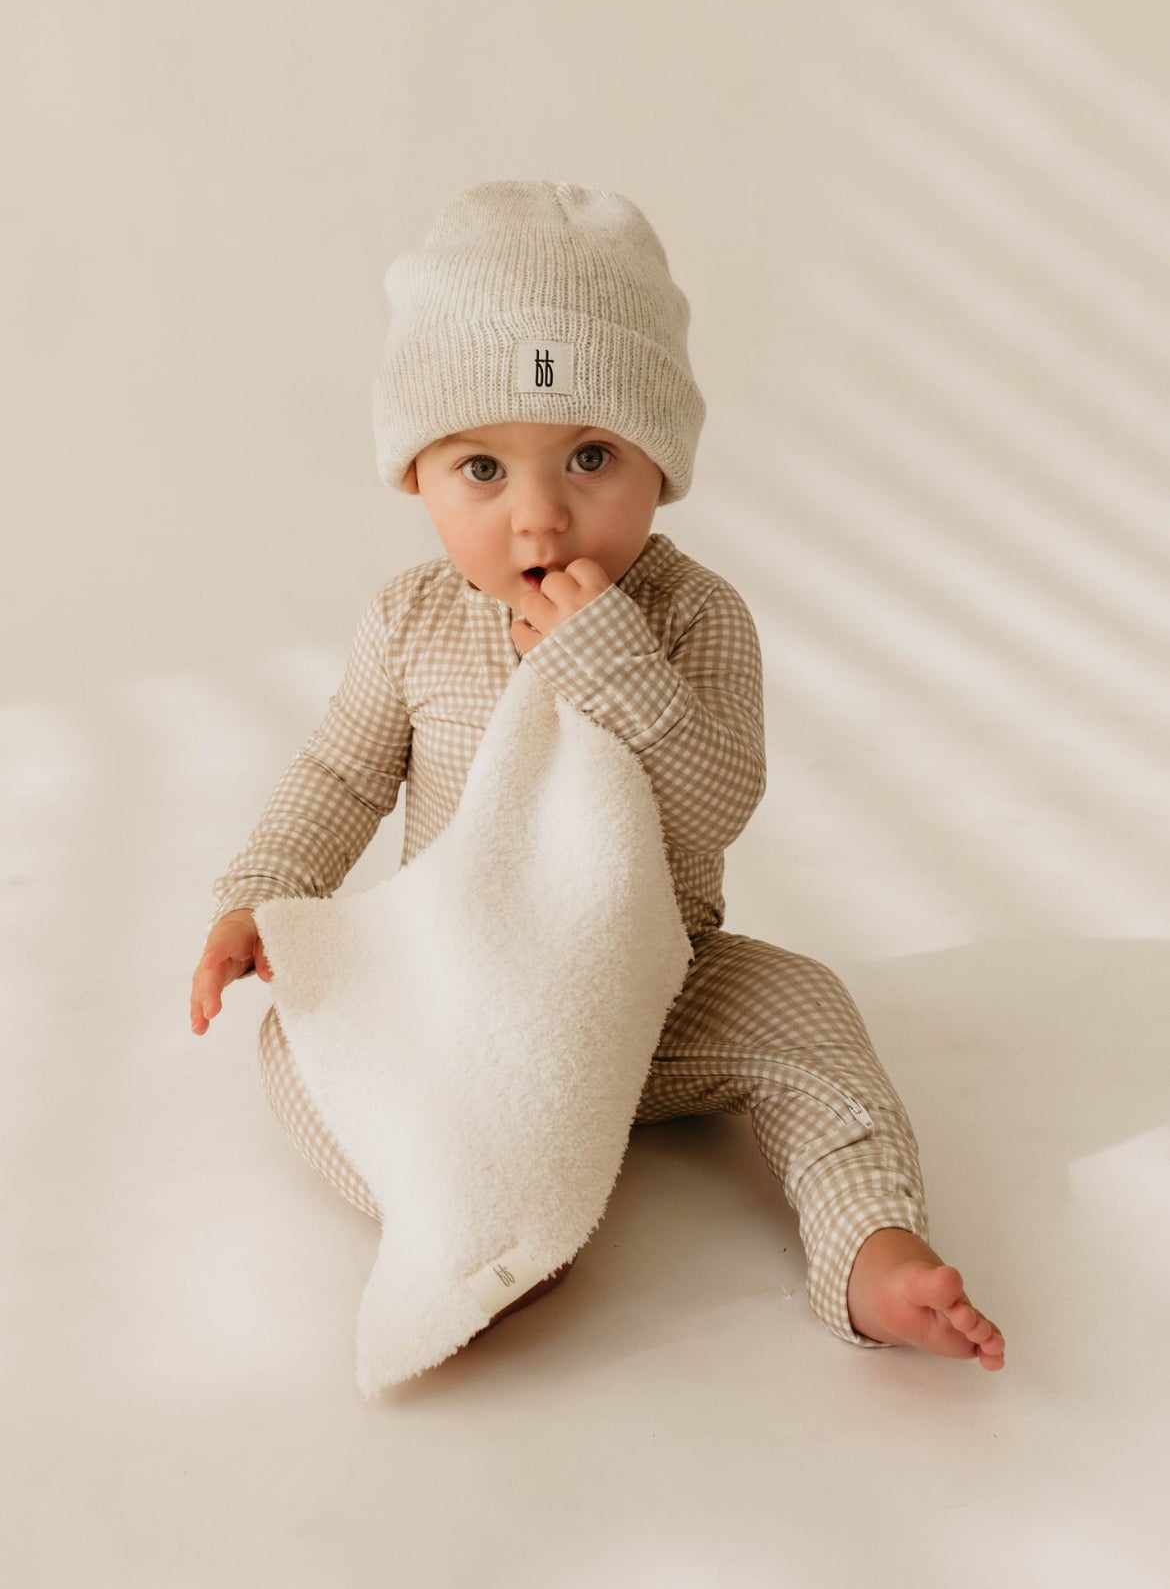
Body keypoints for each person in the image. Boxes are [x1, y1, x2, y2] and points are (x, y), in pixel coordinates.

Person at [189, 180, 1005, 1368]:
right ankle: (469, 1213)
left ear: (660, 464)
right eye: (480, 467)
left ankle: (870, 1244)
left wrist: (610, 659)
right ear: (413, 472)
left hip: (651, 988)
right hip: (454, 992)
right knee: (298, 1040)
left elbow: (719, 798)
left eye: (588, 456)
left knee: (812, 1016)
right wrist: (256, 892)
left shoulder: (691, 617)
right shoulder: (413, 619)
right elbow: (340, 770)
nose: (540, 518)